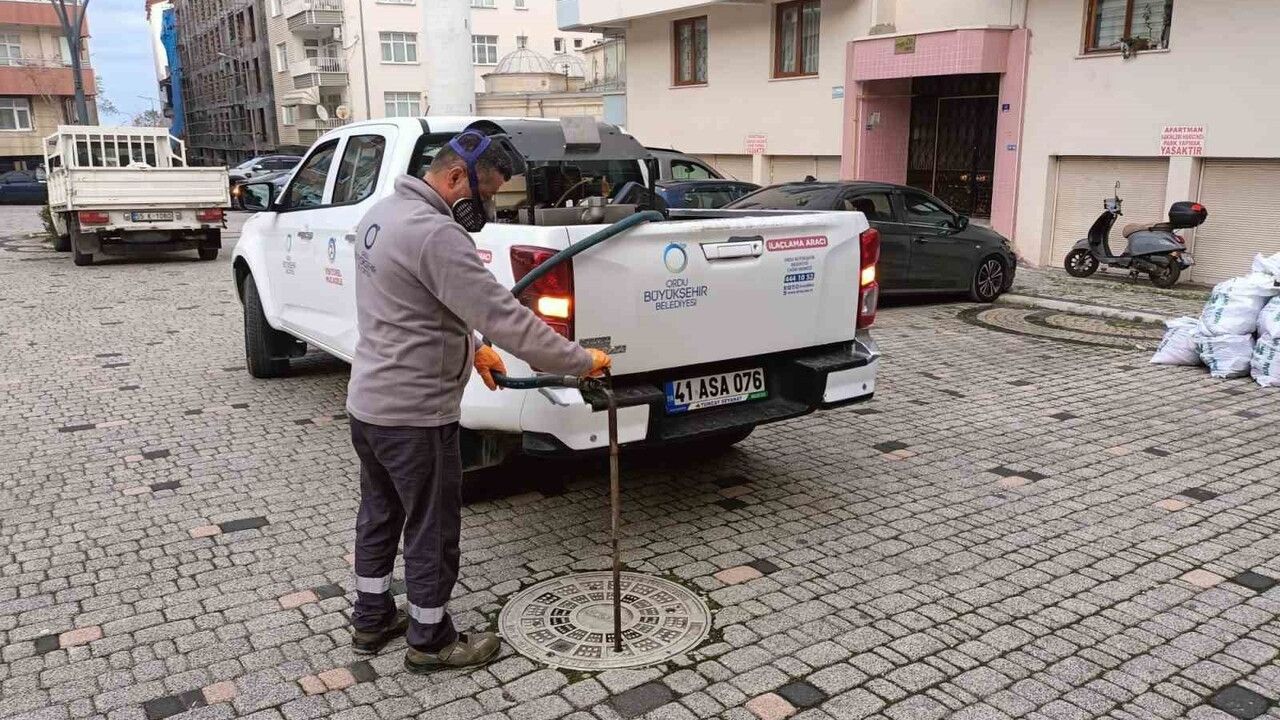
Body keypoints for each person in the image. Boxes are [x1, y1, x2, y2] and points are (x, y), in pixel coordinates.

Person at [344, 130, 610, 673]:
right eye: (485, 191)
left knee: (380, 511)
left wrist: (473, 350)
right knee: (432, 525)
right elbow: (507, 318)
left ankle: (371, 618)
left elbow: (413, 307)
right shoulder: (436, 234)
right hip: (416, 415)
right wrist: (582, 361)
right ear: (455, 177)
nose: (487, 206)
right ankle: (431, 639)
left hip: (370, 403)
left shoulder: (382, 214)